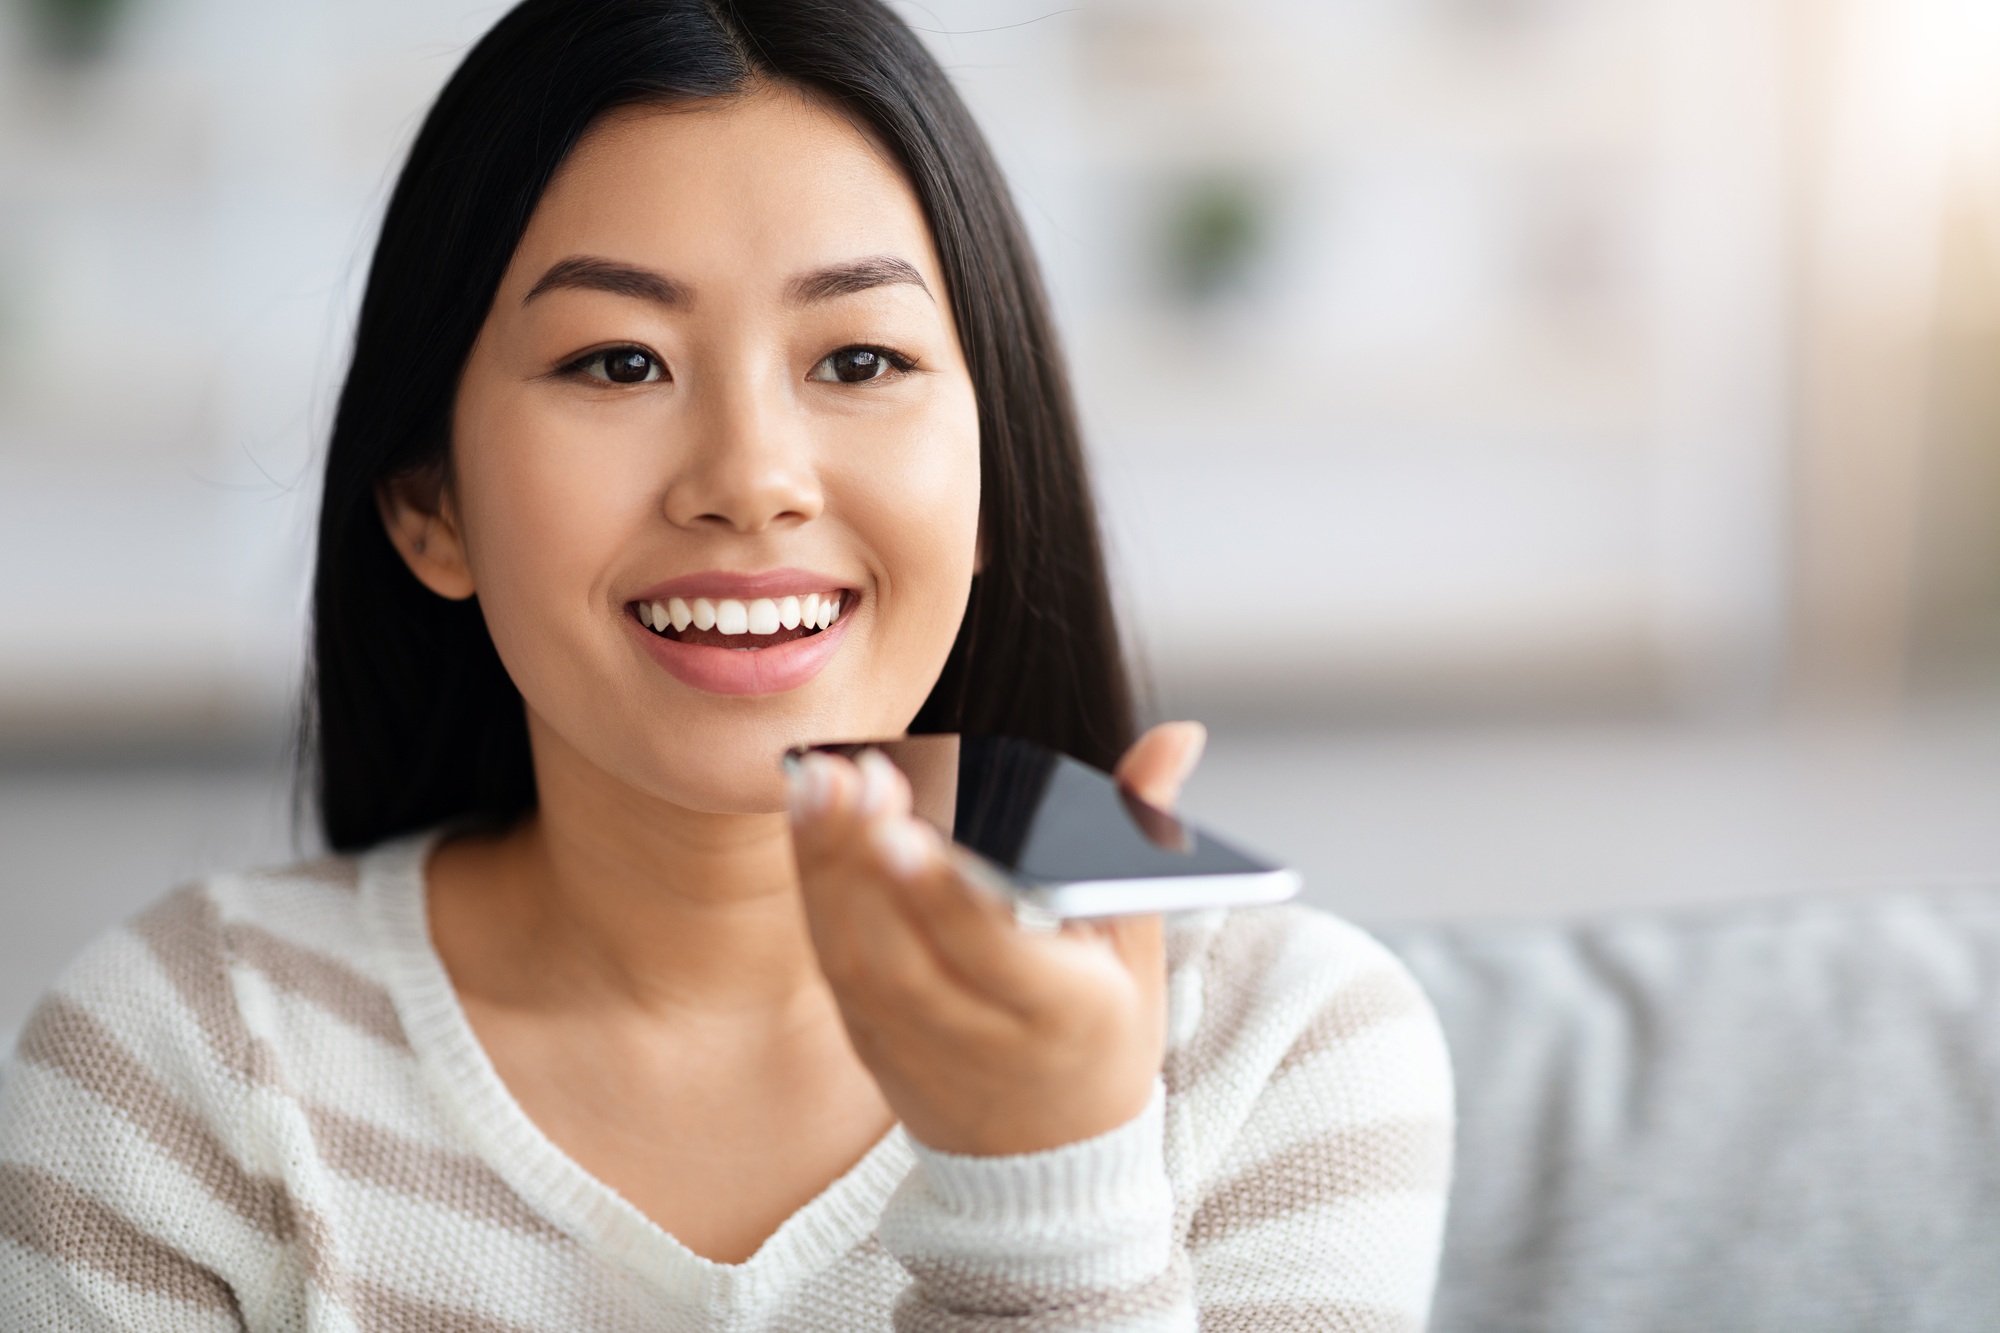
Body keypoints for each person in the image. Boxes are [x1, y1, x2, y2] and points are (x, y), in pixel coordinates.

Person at [0, 1, 1453, 1328]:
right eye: (620, 362)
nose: (751, 478)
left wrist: (1051, 1186)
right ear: (430, 503)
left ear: (992, 482)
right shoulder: (180, 1066)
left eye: (860, 361)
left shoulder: (1277, 1048)